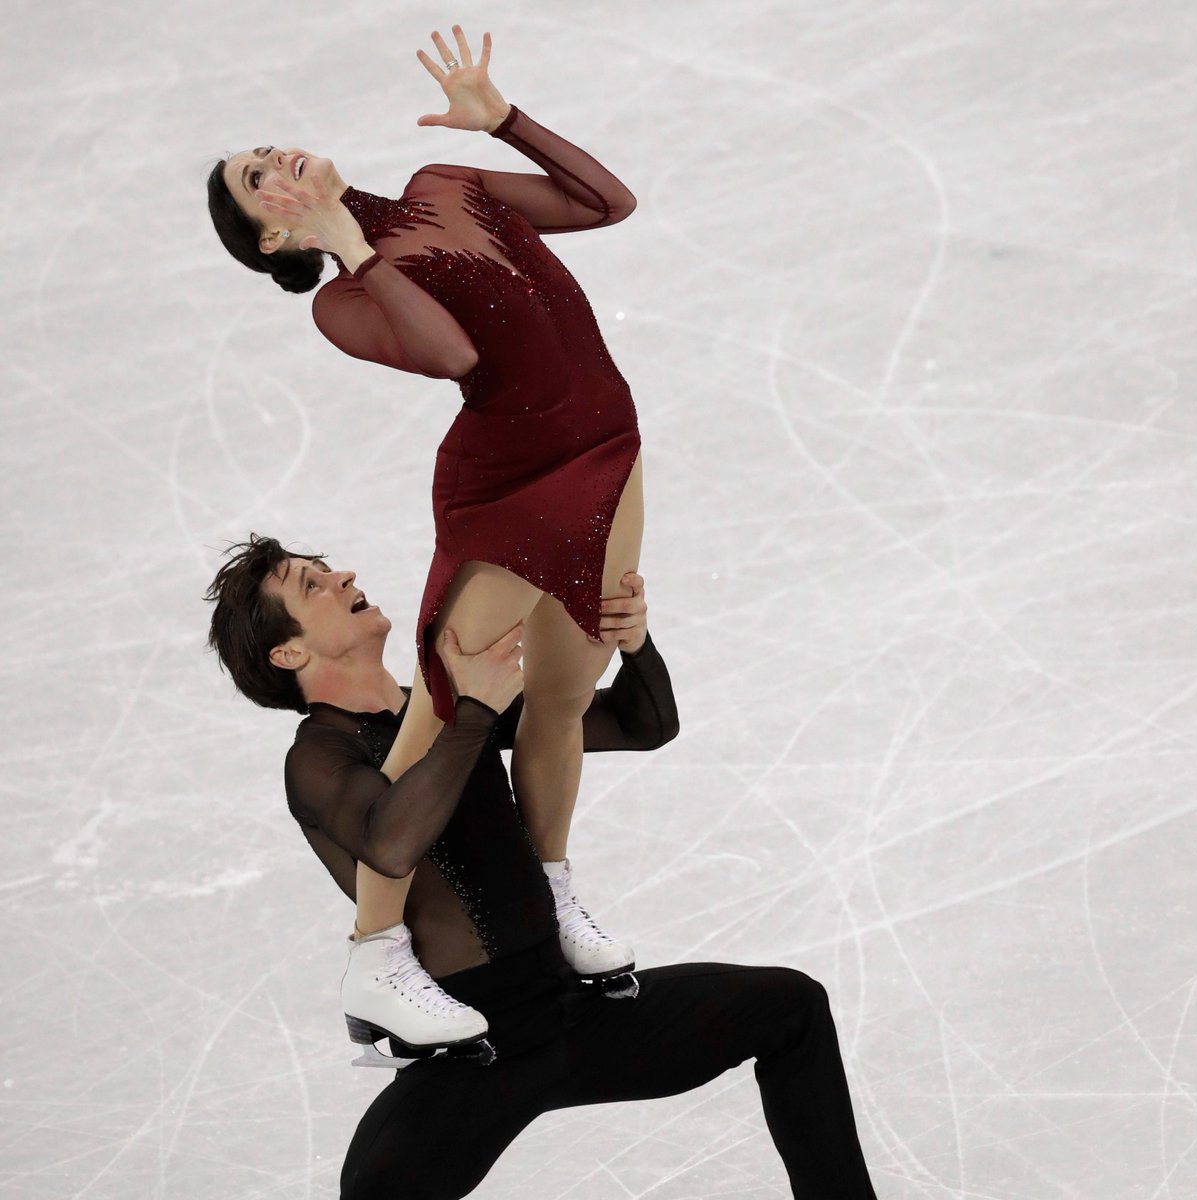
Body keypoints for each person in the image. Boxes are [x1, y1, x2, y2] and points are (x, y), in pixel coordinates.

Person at [206, 24, 646, 1047]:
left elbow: (606, 204)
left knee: (566, 691)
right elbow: (453, 351)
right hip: (507, 483)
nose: (279, 159)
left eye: (270, 149)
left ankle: (554, 889)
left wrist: (507, 123)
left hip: (610, 444)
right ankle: (376, 955)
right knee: (452, 693)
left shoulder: (449, 182)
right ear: (275, 239)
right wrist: (349, 239)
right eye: (258, 179)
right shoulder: (344, 301)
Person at [204, 536, 878, 1200]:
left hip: (577, 1011)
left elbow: (644, 723)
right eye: (311, 585)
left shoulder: (456, 703)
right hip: (476, 1049)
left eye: (329, 570)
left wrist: (633, 642)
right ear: (287, 651)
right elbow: (390, 842)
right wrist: (472, 713)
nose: (342, 576)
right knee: (378, 1189)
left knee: (792, 1008)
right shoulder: (317, 757)